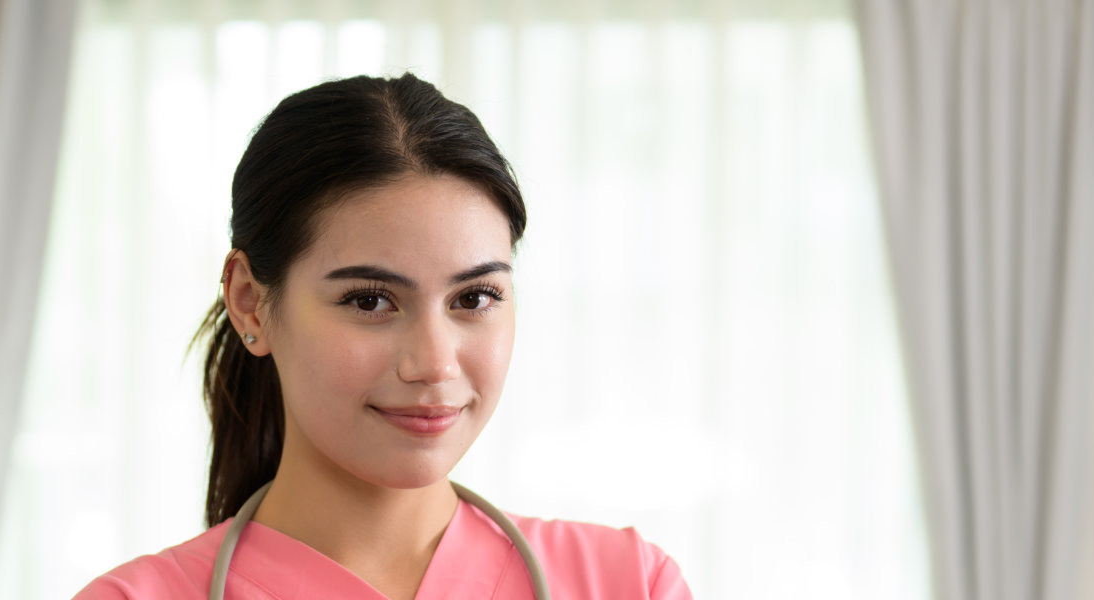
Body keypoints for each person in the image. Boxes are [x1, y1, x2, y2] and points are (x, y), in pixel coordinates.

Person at [76, 73, 691, 600]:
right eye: (370, 300)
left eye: (474, 298)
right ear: (250, 304)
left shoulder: (628, 582)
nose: (435, 364)